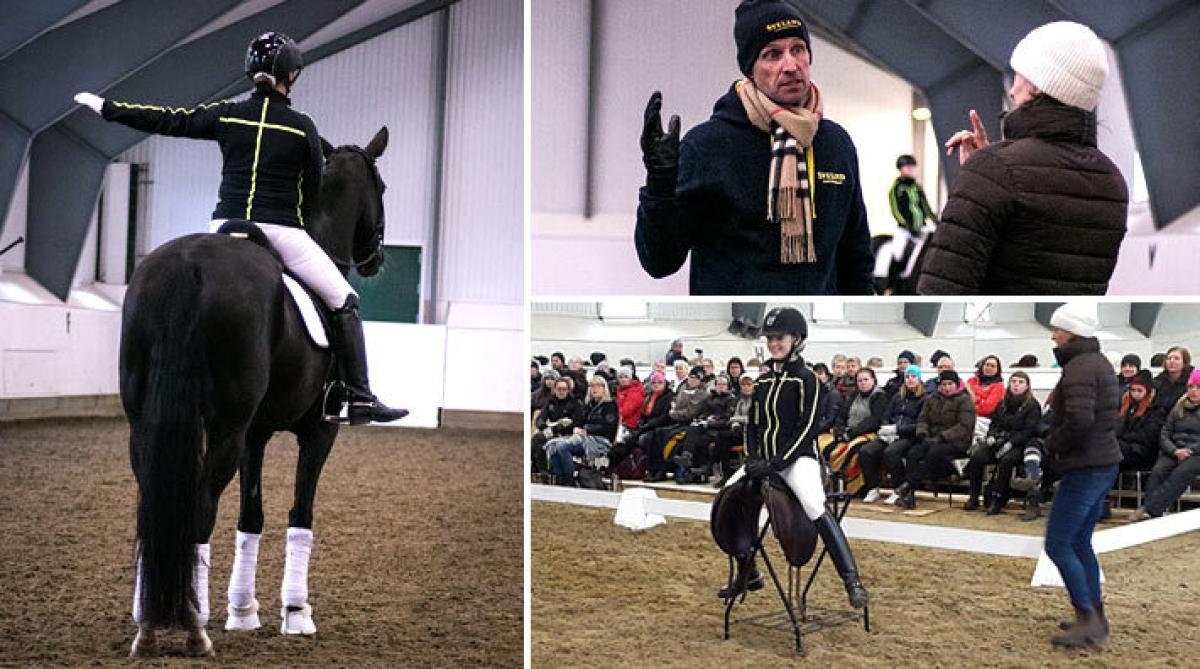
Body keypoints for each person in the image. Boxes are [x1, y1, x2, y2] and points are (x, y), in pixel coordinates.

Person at [76, 32, 406, 424]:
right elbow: (310, 191)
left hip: (223, 225)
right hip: (282, 231)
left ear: (251, 73)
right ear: (292, 76)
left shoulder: (227, 114)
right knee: (345, 299)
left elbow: (168, 121)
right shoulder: (303, 128)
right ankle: (358, 396)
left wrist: (109, 108)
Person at [635, 0, 873, 295]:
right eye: (772, 54)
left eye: (798, 49)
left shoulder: (836, 144)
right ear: (750, 69)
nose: (790, 65)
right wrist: (659, 184)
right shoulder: (707, 146)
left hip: (817, 335)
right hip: (732, 335)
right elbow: (659, 262)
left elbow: (856, 258)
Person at [917, 22, 1127, 295]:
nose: (1013, 89)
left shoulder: (996, 170)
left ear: (1039, 86)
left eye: (1018, 75)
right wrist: (983, 175)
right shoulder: (1113, 182)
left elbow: (941, 289)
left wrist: (982, 176)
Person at [717, 307, 868, 609]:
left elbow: (807, 428)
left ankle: (852, 580)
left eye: (780, 338)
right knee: (728, 499)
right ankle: (748, 571)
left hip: (798, 459)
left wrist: (776, 463)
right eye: (770, 338)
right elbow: (754, 425)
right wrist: (753, 458)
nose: (774, 344)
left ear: (796, 339)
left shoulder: (807, 380)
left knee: (814, 505)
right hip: (765, 459)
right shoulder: (761, 383)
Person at [1041, 303, 1120, 647]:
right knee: (1079, 541)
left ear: (1072, 332)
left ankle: (1087, 618)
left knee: (1058, 544)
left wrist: (1051, 445)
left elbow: (1079, 420)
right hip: (1102, 462)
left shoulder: (1078, 369)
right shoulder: (1096, 362)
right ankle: (1094, 615)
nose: (1054, 336)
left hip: (1085, 466)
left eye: (1058, 330)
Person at [888, 369, 976, 509]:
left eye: (950, 384)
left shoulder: (965, 401)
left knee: (934, 452)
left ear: (956, 384)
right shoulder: (932, 398)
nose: (946, 387)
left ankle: (908, 486)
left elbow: (964, 427)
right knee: (913, 453)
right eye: (943, 384)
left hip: (956, 442)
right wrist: (922, 433)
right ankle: (910, 495)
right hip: (931, 438)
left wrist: (942, 437)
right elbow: (923, 419)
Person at [963, 371, 1042, 514]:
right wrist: (992, 436)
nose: (1016, 385)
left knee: (1007, 461)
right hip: (1000, 441)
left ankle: (998, 499)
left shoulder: (1032, 406)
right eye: (1014, 381)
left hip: (1020, 444)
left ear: (1027, 386)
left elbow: (1029, 430)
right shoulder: (1002, 403)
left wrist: (1011, 442)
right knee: (977, 457)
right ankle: (974, 496)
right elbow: (994, 423)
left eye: (1020, 382)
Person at [1135, 369, 1200, 520]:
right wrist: (1174, 450)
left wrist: (1190, 450)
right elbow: (1165, 431)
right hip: (1174, 450)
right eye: (1191, 387)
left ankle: (1151, 509)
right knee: (1158, 470)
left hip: (1196, 454)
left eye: (1198, 387)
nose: (1194, 391)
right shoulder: (1179, 406)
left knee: (1181, 473)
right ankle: (1150, 509)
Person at [861, 365, 926, 502]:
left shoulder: (924, 399)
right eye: (907, 376)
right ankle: (872, 488)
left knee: (891, 453)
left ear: (919, 379)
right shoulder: (897, 397)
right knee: (866, 451)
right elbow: (886, 414)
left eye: (913, 376)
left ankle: (899, 488)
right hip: (890, 433)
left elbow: (920, 424)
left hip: (909, 435)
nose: (910, 379)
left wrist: (898, 430)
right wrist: (886, 428)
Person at [823, 368, 888, 495]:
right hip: (849, 431)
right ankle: (830, 483)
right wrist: (840, 430)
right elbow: (841, 415)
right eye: (860, 380)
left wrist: (851, 434)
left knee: (850, 449)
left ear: (873, 380)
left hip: (869, 433)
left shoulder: (880, 396)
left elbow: (874, 421)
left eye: (866, 380)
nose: (863, 383)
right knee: (823, 444)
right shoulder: (853, 395)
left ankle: (856, 486)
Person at [544, 377, 619, 486]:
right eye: (592, 386)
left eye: (598, 385)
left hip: (600, 441)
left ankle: (569, 480)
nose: (595, 388)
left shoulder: (610, 405)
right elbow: (579, 422)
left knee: (563, 447)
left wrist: (587, 430)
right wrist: (573, 428)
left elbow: (608, 427)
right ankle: (560, 480)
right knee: (555, 446)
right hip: (583, 437)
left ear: (604, 388)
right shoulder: (588, 405)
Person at [885, 155, 937, 294]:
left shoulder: (918, 188)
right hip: (905, 230)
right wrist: (907, 226)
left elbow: (926, 207)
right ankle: (890, 286)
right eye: (907, 167)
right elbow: (896, 210)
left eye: (911, 167)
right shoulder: (896, 188)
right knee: (898, 253)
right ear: (901, 169)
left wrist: (936, 222)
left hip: (921, 227)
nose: (910, 169)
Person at [1116, 370, 1162, 472]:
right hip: (1126, 446)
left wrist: (1122, 439)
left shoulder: (1155, 410)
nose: (1135, 394)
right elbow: (1118, 427)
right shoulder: (1127, 407)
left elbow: (1148, 436)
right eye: (1133, 390)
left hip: (1142, 451)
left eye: (1139, 390)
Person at [1152, 346, 1193, 416]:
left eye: (1176, 359)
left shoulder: (1191, 383)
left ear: (1185, 362)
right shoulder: (1157, 382)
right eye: (1169, 358)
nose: (1172, 361)